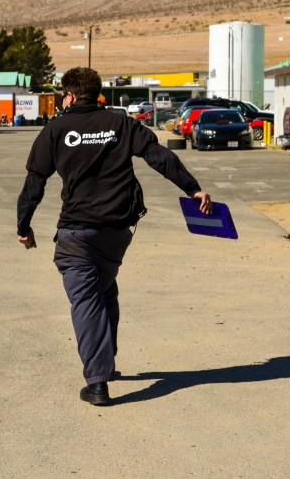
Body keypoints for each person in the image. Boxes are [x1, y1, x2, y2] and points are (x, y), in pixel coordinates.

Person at [16, 67, 211, 406]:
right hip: (117, 233)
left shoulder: (56, 128)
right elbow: (158, 156)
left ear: (71, 96)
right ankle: (107, 361)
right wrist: (192, 188)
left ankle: (97, 382)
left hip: (77, 233)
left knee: (86, 301)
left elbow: (35, 181)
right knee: (105, 291)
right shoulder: (120, 124)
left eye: (64, 95)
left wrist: (24, 225)